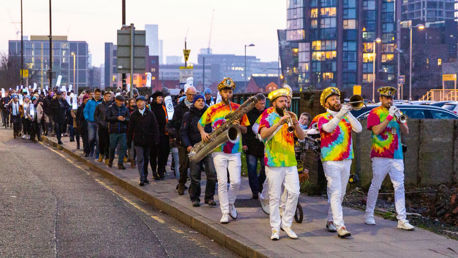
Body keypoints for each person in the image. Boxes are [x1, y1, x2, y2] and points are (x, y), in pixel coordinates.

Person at [198, 78, 249, 224]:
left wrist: (238, 126)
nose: (228, 94)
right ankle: (225, 211)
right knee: (221, 182)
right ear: (220, 93)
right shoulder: (212, 109)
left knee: (236, 182)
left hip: (234, 149)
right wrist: (203, 133)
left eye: (230, 91)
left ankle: (231, 203)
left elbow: (245, 130)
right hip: (218, 149)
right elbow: (200, 124)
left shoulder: (239, 109)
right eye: (225, 91)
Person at [313, 87, 362, 238]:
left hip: (347, 158)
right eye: (332, 99)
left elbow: (359, 129)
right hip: (330, 159)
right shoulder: (321, 117)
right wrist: (340, 116)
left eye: (337, 98)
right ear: (326, 103)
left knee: (341, 193)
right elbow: (328, 128)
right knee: (335, 192)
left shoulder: (345, 115)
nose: (336, 101)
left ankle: (330, 220)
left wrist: (348, 114)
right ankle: (340, 225)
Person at [257, 88, 305, 240]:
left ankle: (287, 224)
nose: (285, 104)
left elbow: (302, 137)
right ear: (274, 103)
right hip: (273, 160)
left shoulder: (291, 115)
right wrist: (279, 123)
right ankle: (275, 228)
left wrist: (295, 122)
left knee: (295, 192)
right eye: (282, 101)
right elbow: (263, 134)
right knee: (275, 196)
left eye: (286, 101)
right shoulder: (267, 115)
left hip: (290, 160)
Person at [365, 86, 414, 231]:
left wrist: (399, 120)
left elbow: (406, 131)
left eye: (391, 98)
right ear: (381, 99)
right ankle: (369, 214)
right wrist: (388, 117)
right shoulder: (374, 112)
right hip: (380, 155)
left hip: (397, 155)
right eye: (387, 98)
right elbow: (376, 130)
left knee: (399, 186)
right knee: (376, 184)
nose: (389, 100)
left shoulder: (399, 112)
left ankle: (402, 219)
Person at [181, 94, 217, 207]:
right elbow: (183, 132)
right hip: (195, 148)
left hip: (208, 148)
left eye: (202, 101)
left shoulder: (209, 114)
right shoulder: (188, 115)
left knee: (212, 174)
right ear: (194, 102)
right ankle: (195, 198)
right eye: (198, 101)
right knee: (195, 175)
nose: (201, 102)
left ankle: (209, 197)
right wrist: (188, 146)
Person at [128, 96, 160, 186]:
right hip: (138, 141)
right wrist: (129, 140)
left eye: (141, 101)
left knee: (146, 159)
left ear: (145, 103)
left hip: (148, 141)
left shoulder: (150, 114)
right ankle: (141, 178)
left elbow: (155, 127)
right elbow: (130, 129)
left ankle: (145, 176)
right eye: (137, 101)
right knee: (140, 159)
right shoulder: (134, 115)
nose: (139, 103)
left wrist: (156, 139)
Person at [171, 86, 196, 194]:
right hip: (182, 140)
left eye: (193, 95)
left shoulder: (198, 107)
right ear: (186, 94)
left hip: (195, 141)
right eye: (189, 94)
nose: (191, 97)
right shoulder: (179, 108)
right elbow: (174, 125)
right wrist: (178, 137)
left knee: (195, 165)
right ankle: (181, 184)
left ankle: (193, 186)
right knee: (183, 165)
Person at [242, 94, 266, 199]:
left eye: (264, 103)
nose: (263, 105)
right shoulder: (248, 114)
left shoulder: (267, 113)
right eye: (261, 103)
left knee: (265, 169)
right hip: (251, 145)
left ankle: (260, 185)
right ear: (255, 103)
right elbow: (244, 130)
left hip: (263, 145)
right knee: (252, 169)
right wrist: (244, 144)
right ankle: (255, 191)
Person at [149, 91, 170, 179]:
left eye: (162, 97)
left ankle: (161, 170)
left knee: (163, 153)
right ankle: (154, 171)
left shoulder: (164, 108)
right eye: (159, 97)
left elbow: (167, 119)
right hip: (153, 134)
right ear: (155, 98)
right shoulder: (150, 108)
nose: (161, 99)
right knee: (153, 154)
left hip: (163, 134)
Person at [106, 95, 130, 169]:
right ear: (116, 100)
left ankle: (120, 163)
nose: (121, 103)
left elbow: (129, 119)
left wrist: (124, 119)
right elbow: (107, 118)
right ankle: (111, 160)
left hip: (123, 131)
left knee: (123, 147)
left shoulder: (125, 109)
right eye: (120, 101)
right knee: (112, 147)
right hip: (113, 131)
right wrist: (116, 118)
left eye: (122, 101)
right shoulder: (110, 108)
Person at [94, 91, 112, 164]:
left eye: (110, 96)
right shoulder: (99, 105)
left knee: (108, 142)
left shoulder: (112, 105)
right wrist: (99, 122)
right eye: (107, 96)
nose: (109, 97)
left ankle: (107, 157)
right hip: (101, 126)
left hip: (110, 127)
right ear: (104, 97)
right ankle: (101, 154)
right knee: (101, 142)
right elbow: (96, 116)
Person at [84, 89, 102, 158]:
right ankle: (91, 151)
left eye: (99, 94)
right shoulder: (90, 102)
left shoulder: (102, 102)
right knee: (91, 138)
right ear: (94, 94)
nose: (98, 95)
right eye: (97, 94)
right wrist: (87, 118)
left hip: (99, 123)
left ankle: (97, 153)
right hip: (90, 122)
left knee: (98, 139)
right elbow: (85, 110)